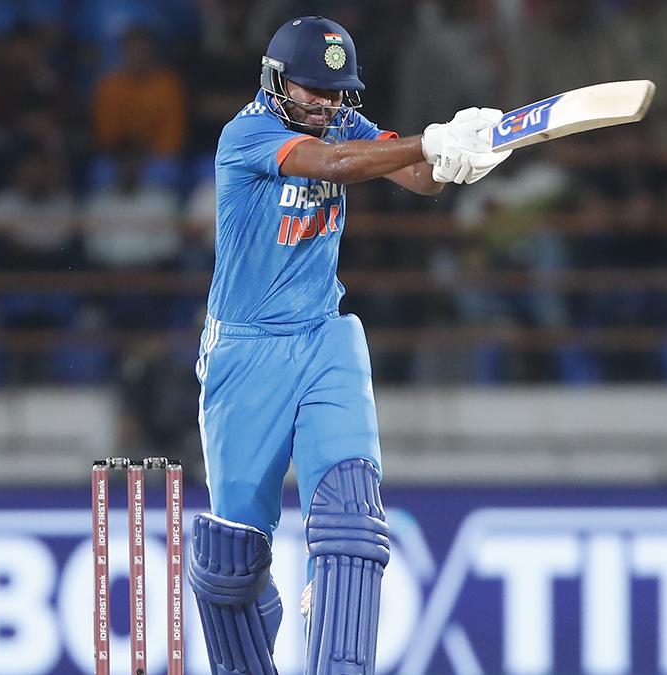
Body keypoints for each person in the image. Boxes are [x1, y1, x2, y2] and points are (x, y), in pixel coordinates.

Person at [185, 15, 510, 675]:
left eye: (336, 93)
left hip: (323, 337)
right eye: (313, 90)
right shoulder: (246, 135)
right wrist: (429, 139)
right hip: (244, 354)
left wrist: (456, 159)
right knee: (233, 566)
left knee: (351, 522)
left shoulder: (341, 123)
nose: (326, 105)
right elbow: (333, 164)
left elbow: (415, 175)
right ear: (276, 81)